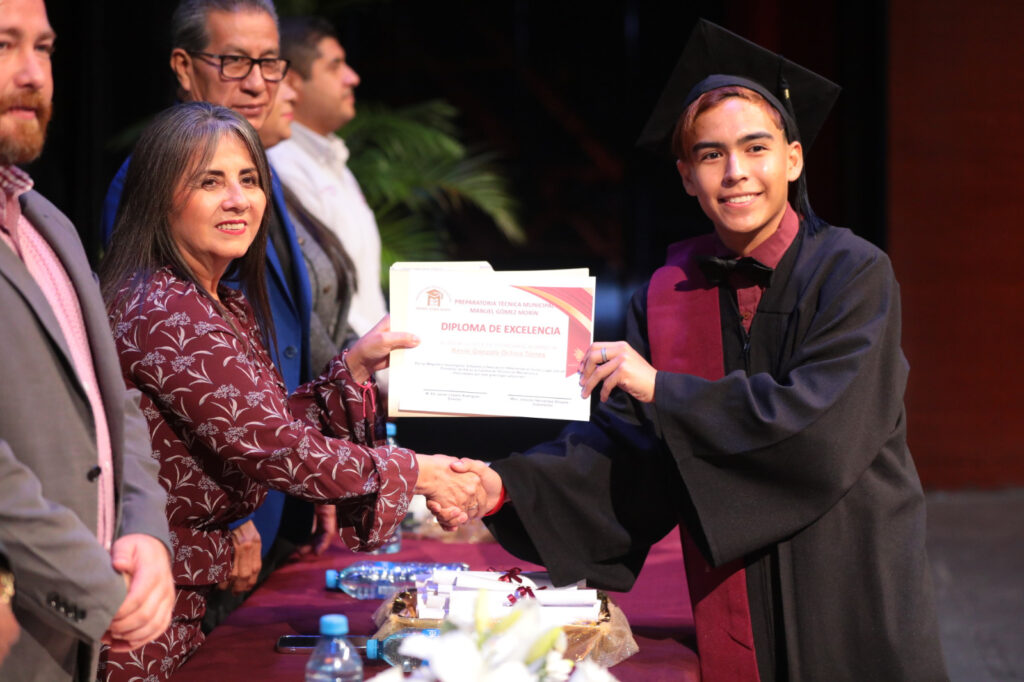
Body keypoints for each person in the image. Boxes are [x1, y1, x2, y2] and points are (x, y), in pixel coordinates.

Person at [459, 20, 949, 681]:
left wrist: (663, 389)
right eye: (711, 155)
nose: (737, 172)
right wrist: (503, 486)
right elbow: (628, 452)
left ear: (794, 158)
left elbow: (821, 430)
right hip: (729, 577)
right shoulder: (669, 290)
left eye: (756, 148)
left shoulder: (854, 272)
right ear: (687, 176)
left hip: (846, 567)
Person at [97, 101, 484, 680]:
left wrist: (351, 366)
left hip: (183, 599)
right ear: (160, 196)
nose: (239, 199)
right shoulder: (163, 310)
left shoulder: (216, 297)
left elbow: (258, 422)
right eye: (210, 182)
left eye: (249, 180)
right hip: (143, 610)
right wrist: (420, 473)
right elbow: (279, 449)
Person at [102, 0, 327, 608]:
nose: (256, 81)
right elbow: (153, 406)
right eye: (234, 61)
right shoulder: (156, 279)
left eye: (269, 62)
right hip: (196, 537)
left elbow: (274, 366)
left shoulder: (259, 187)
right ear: (184, 66)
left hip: (265, 496)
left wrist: (351, 372)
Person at [0, 0, 174, 680]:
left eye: (43, 48)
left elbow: (113, 404)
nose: (32, 73)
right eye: (5, 45)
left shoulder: (49, 223)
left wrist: (146, 534)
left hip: (81, 639)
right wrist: (102, 589)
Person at [267, 16, 390, 387]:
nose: (352, 77)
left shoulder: (335, 160)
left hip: (370, 382)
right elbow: (314, 309)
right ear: (293, 81)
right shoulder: (283, 166)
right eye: (335, 65)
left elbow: (361, 295)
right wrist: (377, 385)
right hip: (347, 385)